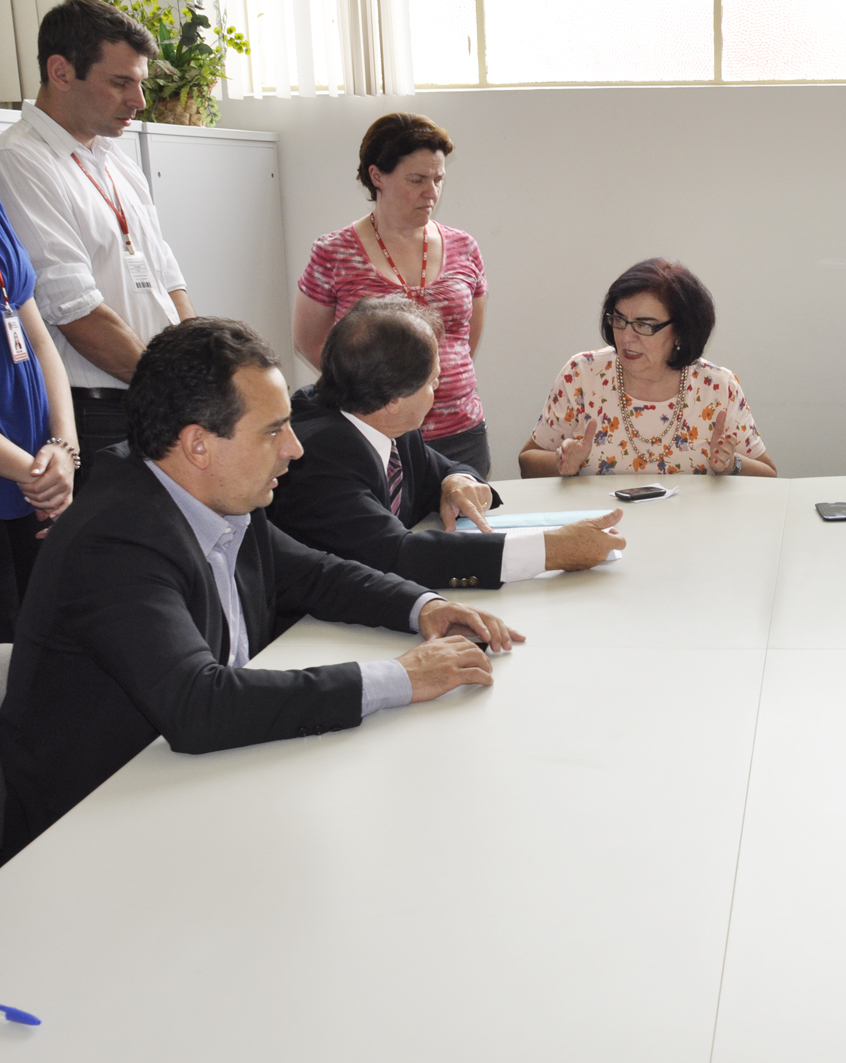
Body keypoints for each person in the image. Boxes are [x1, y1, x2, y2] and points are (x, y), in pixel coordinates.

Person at [0, 317, 522, 863]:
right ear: (198, 445)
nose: (294, 449)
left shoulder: (215, 496)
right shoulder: (115, 539)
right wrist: (400, 677)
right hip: (82, 841)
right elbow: (198, 704)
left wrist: (425, 607)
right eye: (274, 430)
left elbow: (318, 574)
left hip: (185, 795)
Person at [269, 297, 625, 589]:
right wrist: (552, 550)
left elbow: (445, 471)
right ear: (394, 398)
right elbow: (400, 556)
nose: (437, 391)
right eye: (433, 382)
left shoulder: (377, 416)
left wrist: (457, 482)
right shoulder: (317, 455)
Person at [0, 0, 197, 484]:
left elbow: (167, 277)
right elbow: (74, 310)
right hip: (100, 413)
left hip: (155, 396)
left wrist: (199, 364)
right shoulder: (21, 161)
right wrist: (173, 389)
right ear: (61, 72)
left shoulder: (116, 160)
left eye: (141, 83)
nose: (140, 101)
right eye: (120, 82)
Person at [293, 113, 492, 478]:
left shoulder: (465, 247)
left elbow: (464, 338)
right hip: (373, 435)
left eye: (438, 179)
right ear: (376, 175)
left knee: (465, 530)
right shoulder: (333, 252)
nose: (431, 192)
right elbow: (310, 342)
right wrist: (378, 392)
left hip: (461, 432)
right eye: (416, 179)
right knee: (389, 532)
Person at [520, 258, 777, 477]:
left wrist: (732, 465)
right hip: (603, 530)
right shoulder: (582, 374)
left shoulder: (717, 388)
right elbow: (527, 462)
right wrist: (561, 462)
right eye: (619, 320)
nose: (626, 338)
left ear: (681, 332)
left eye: (645, 326)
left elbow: (769, 475)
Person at [0, 196, 79, 641]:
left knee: (41, 641)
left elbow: (41, 344)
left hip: (34, 481)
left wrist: (65, 450)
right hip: (26, 478)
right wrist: (39, 475)